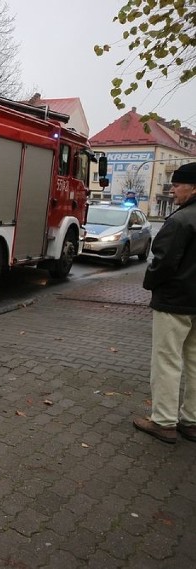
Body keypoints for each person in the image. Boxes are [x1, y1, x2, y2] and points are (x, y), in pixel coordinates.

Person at [134, 162, 196, 443]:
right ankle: (192, 421)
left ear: (193, 187)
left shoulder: (180, 221)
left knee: (167, 361)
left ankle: (164, 421)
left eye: (178, 184)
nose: (173, 189)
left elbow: (163, 262)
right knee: (195, 362)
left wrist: (151, 283)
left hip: (174, 302)